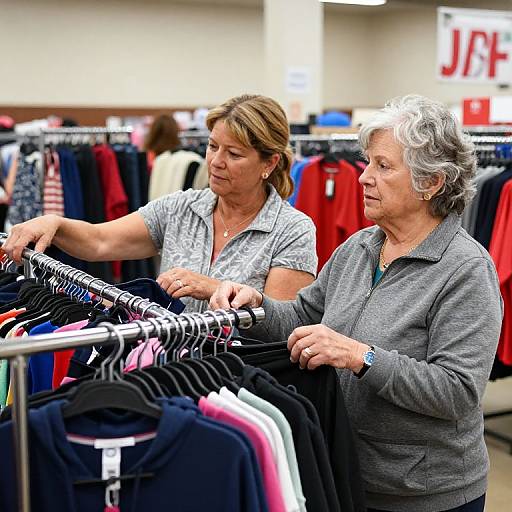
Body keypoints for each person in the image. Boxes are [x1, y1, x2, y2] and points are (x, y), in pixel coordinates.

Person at [210, 95, 503, 512]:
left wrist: (358, 356)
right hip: (344, 471)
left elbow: (457, 392)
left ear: (431, 182)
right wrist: (253, 305)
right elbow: (302, 318)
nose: (364, 178)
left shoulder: (465, 270)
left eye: (383, 167)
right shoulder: (359, 247)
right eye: (367, 163)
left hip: (423, 494)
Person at [2, 94, 317, 312]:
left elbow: (283, 322)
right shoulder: (180, 209)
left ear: (269, 163)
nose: (216, 161)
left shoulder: (292, 229)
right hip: (169, 372)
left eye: (233, 154)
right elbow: (99, 241)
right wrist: (54, 223)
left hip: (242, 382)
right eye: (212, 146)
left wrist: (212, 288)